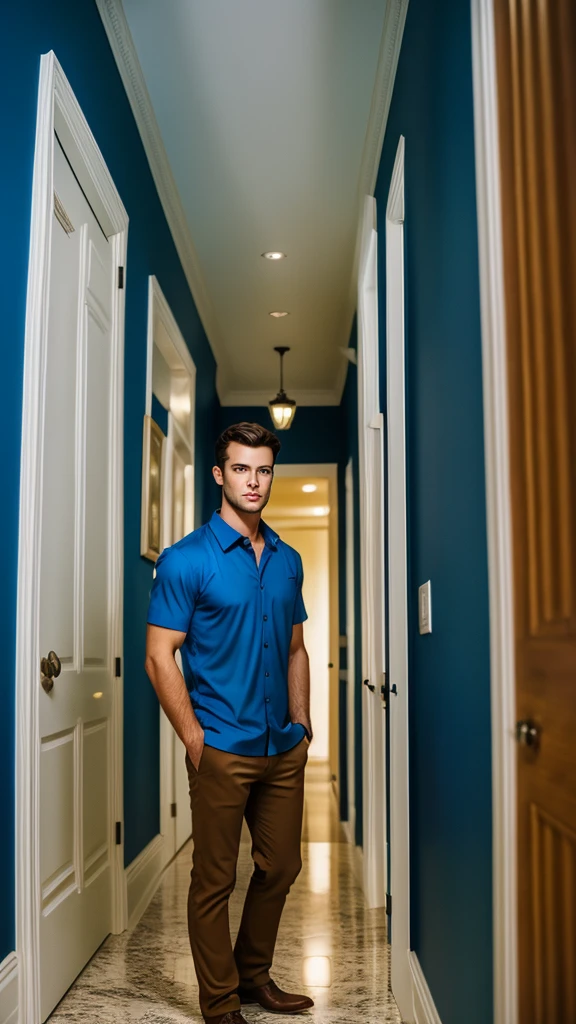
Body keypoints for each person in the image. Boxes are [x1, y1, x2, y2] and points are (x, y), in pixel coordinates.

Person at [145, 422, 314, 1024]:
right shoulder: (187, 560)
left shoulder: (289, 560)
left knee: (282, 866)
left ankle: (251, 976)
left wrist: (302, 720)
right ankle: (219, 1005)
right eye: (242, 469)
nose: (254, 481)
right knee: (213, 881)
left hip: (282, 748)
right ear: (219, 475)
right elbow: (158, 654)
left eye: (264, 469)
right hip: (220, 746)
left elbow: (296, 648)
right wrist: (195, 739)